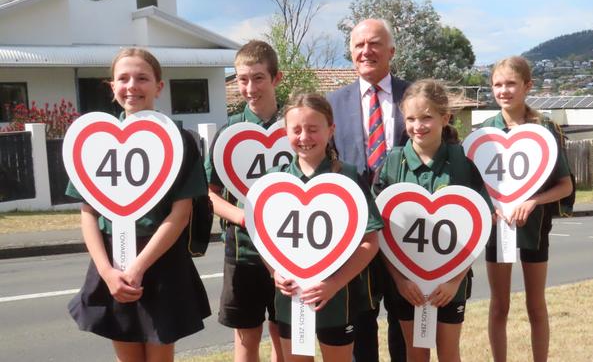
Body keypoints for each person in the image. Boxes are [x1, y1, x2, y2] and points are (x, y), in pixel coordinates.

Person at [66, 47, 211, 362]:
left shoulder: (179, 140)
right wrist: (108, 272)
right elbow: (88, 213)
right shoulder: (94, 139)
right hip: (111, 264)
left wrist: (137, 268)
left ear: (159, 86)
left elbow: (181, 213)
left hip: (160, 259)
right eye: (123, 78)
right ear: (112, 86)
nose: (132, 86)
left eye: (142, 78)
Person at [373, 79, 494, 362]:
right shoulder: (392, 163)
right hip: (406, 285)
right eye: (411, 119)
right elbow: (379, 231)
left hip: (451, 283)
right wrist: (401, 280)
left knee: (449, 354)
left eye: (427, 117)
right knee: (416, 354)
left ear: (445, 117)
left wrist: (453, 281)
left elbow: (480, 225)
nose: (418, 126)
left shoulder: (463, 162)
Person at [269, 92, 382, 362]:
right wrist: (274, 271)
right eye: (296, 130)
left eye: (313, 129)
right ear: (285, 132)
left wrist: (333, 284)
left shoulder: (348, 176)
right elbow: (266, 241)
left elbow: (370, 242)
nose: (304, 137)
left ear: (330, 130)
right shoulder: (275, 180)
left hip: (338, 300)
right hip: (291, 298)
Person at [326, 18, 409, 362]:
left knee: (406, 321)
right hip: (356, 235)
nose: (366, 51)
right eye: (359, 45)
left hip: (407, 230)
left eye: (374, 44)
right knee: (361, 326)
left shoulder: (415, 97)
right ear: (350, 53)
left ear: (391, 51)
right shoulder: (331, 104)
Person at [482, 56, 573, 362]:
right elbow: (474, 187)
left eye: (510, 83)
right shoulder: (483, 133)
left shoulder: (544, 128)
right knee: (499, 305)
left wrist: (533, 201)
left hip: (534, 230)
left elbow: (565, 185)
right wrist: (487, 208)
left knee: (536, 305)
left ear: (527, 86)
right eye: (497, 84)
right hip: (497, 229)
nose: (503, 91)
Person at [205, 40, 284, 362]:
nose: (250, 87)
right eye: (242, 79)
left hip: (291, 252)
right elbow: (208, 193)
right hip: (242, 252)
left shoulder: (298, 127)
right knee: (246, 340)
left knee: (289, 338)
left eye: (258, 78)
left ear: (276, 78)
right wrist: (244, 217)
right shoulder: (229, 133)